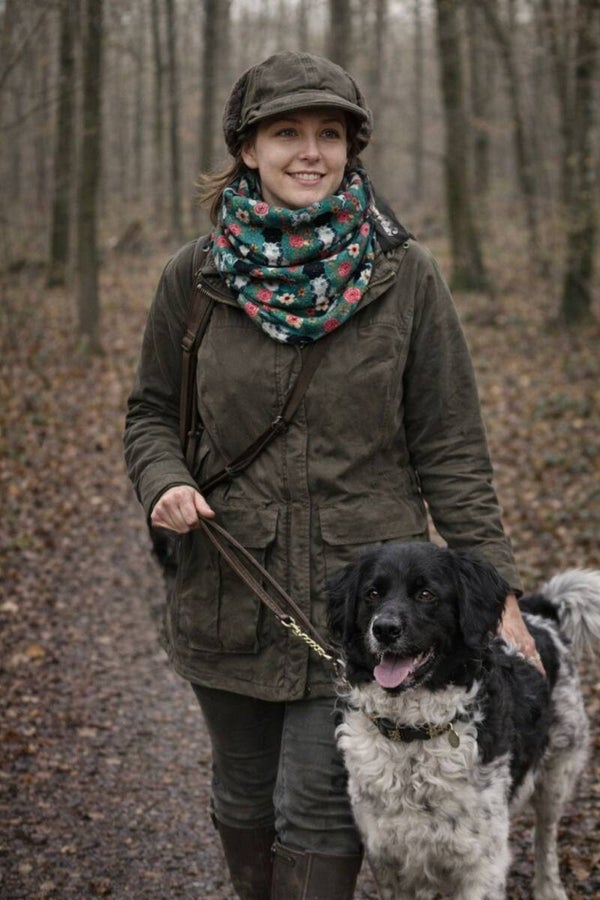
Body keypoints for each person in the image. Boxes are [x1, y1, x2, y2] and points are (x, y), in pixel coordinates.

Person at [124, 51, 541, 900]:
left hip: (370, 604)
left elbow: (453, 448)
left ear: (353, 148)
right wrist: (163, 478)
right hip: (228, 588)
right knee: (243, 799)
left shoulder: (406, 277)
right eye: (286, 133)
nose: (310, 152)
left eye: (329, 134)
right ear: (248, 149)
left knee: (319, 811)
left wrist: (498, 589)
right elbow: (150, 414)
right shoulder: (192, 279)